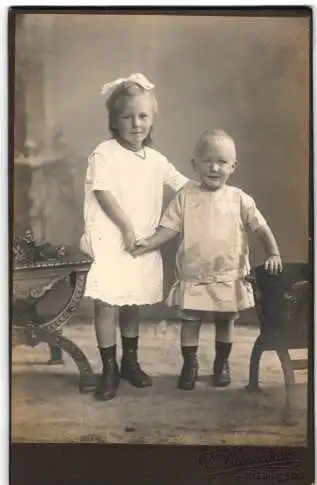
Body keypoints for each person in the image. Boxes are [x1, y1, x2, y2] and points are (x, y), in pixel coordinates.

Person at [132, 129, 282, 390]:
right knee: (191, 321)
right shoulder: (185, 197)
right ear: (195, 164)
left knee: (225, 321)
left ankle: (221, 363)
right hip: (194, 275)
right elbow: (169, 229)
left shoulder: (239, 199)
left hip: (227, 274)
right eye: (207, 161)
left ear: (233, 166)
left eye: (222, 162)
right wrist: (148, 243)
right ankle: (189, 364)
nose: (214, 167)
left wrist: (273, 252)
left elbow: (261, 227)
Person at [80, 73, 188, 401]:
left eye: (143, 116)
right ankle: (109, 367)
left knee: (131, 302)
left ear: (152, 119)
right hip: (111, 241)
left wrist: (214, 190)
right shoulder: (105, 153)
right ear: (114, 121)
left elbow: (183, 185)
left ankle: (129, 361)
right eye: (127, 117)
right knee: (108, 303)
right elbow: (103, 192)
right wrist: (126, 228)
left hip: (140, 245)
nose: (136, 124)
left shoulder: (156, 160)